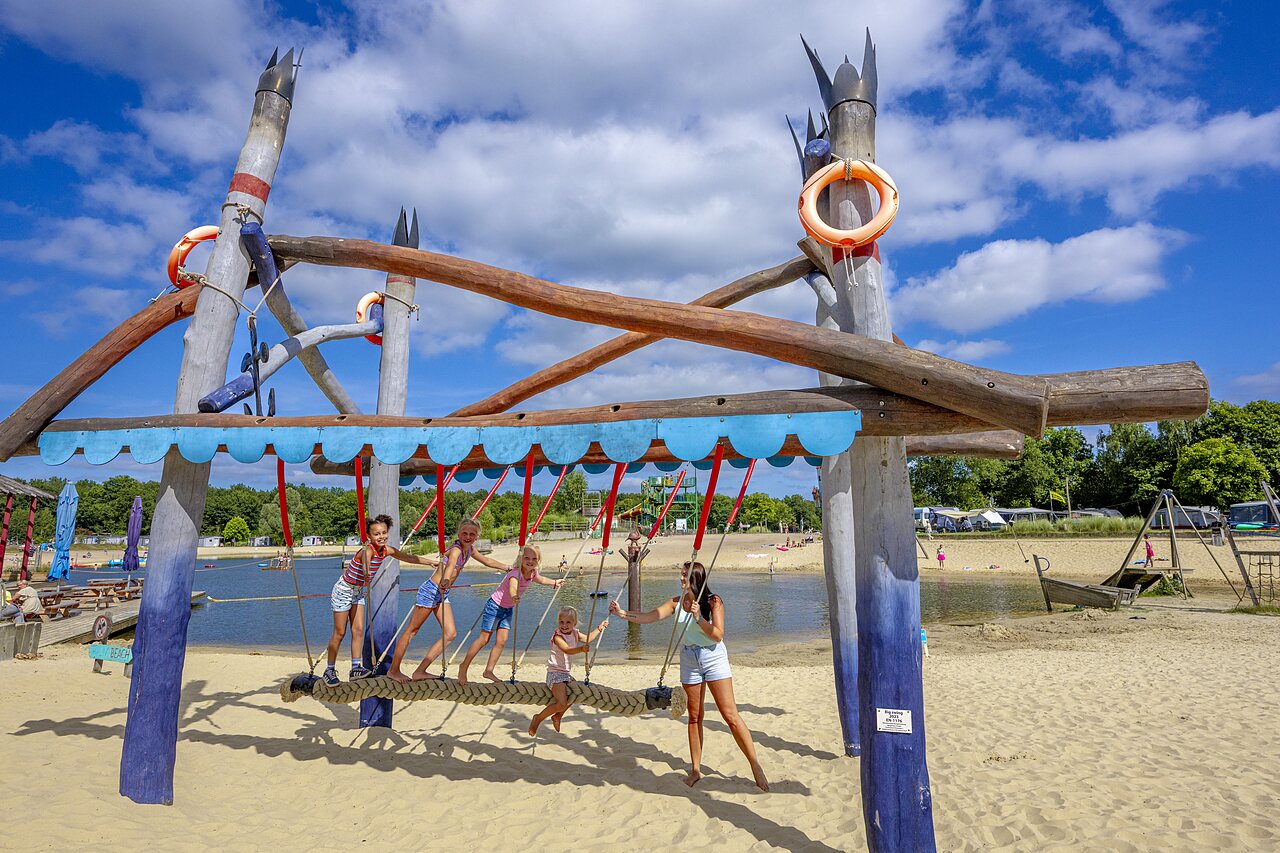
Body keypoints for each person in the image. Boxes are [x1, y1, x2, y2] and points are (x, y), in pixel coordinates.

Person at [610, 562, 769, 791]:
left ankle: (755, 766)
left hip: (713, 657)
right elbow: (649, 617)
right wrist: (622, 613)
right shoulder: (676, 602)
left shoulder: (714, 601)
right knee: (694, 716)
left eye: (684, 575)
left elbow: (717, 635)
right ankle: (696, 770)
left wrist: (698, 618)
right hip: (689, 658)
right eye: (681, 574)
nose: (681, 578)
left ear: (695, 578)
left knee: (730, 715)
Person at [386, 517, 510, 683]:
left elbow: (487, 561)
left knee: (450, 634)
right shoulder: (457, 549)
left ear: (477, 536)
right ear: (458, 534)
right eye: (464, 533)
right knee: (411, 632)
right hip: (431, 590)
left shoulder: (470, 550)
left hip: (442, 593)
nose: (468, 536)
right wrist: (445, 579)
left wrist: (508, 568)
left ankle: (420, 671)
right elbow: (450, 565)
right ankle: (393, 671)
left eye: (472, 534)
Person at [322, 514, 439, 687]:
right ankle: (329, 669)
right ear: (369, 536)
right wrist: (367, 572)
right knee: (339, 633)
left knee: (359, 630)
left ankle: (355, 667)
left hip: (359, 592)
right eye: (377, 534)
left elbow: (408, 557)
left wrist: (429, 562)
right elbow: (365, 562)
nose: (381, 536)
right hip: (344, 590)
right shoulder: (367, 550)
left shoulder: (387, 550)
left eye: (384, 532)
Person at [457, 544, 563, 685]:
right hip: (494, 606)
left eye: (534, 558)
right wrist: (514, 596)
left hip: (507, 609)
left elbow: (542, 580)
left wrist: (555, 582)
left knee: (502, 641)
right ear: (520, 558)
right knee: (484, 639)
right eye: (526, 557)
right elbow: (513, 586)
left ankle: (488, 671)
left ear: (538, 561)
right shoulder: (515, 573)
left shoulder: (532, 574)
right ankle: (463, 666)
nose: (530, 561)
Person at [527, 606, 608, 736]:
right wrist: (581, 649)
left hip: (565, 674)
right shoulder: (557, 637)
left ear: (574, 623)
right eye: (561, 622)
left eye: (568, 622)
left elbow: (588, 638)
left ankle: (558, 716)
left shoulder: (575, 633)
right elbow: (566, 649)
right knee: (561, 703)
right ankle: (538, 718)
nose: (564, 625)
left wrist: (600, 628)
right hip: (554, 673)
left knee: (576, 693)